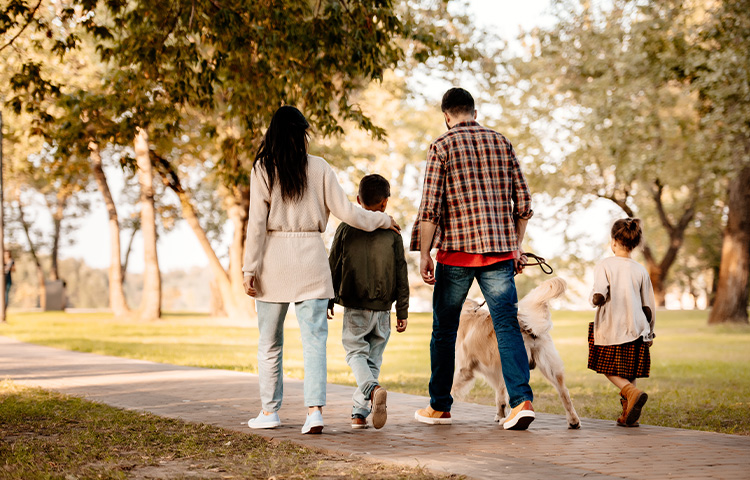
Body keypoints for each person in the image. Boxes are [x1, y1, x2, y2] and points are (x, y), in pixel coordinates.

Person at [242, 106, 399, 435]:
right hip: (312, 261)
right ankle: (314, 412)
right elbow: (349, 212)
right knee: (314, 342)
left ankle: (269, 411)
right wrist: (384, 220)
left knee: (269, 342)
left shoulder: (263, 168)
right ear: (302, 134)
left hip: (274, 262)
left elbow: (256, 223)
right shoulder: (320, 167)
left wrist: (249, 268)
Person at [410, 87, 536, 430]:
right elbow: (523, 204)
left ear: (446, 117)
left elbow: (430, 209)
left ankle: (439, 406)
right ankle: (521, 400)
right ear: (474, 113)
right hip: (499, 253)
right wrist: (516, 246)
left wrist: (424, 255)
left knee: (445, 331)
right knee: (507, 325)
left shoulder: (441, 146)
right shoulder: (502, 142)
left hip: (456, 254)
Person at [328, 174, 409, 430]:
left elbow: (333, 264)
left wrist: (329, 298)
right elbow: (401, 272)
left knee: (355, 354)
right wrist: (402, 310)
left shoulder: (345, 228)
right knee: (372, 360)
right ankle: (359, 413)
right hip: (384, 309)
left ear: (357, 200)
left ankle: (372, 391)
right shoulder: (393, 233)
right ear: (385, 203)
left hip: (355, 305)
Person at [589, 217, 656, 427]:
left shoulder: (605, 265)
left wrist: (595, 297)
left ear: (614, 242)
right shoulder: (640, 270)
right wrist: (650, 332)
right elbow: (649, 306)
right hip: (637, 328)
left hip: (612, 326)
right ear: (634, 244)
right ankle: (628, 414)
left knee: (607, 366)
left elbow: (599, 292)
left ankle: (631, 392)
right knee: (630, 371)